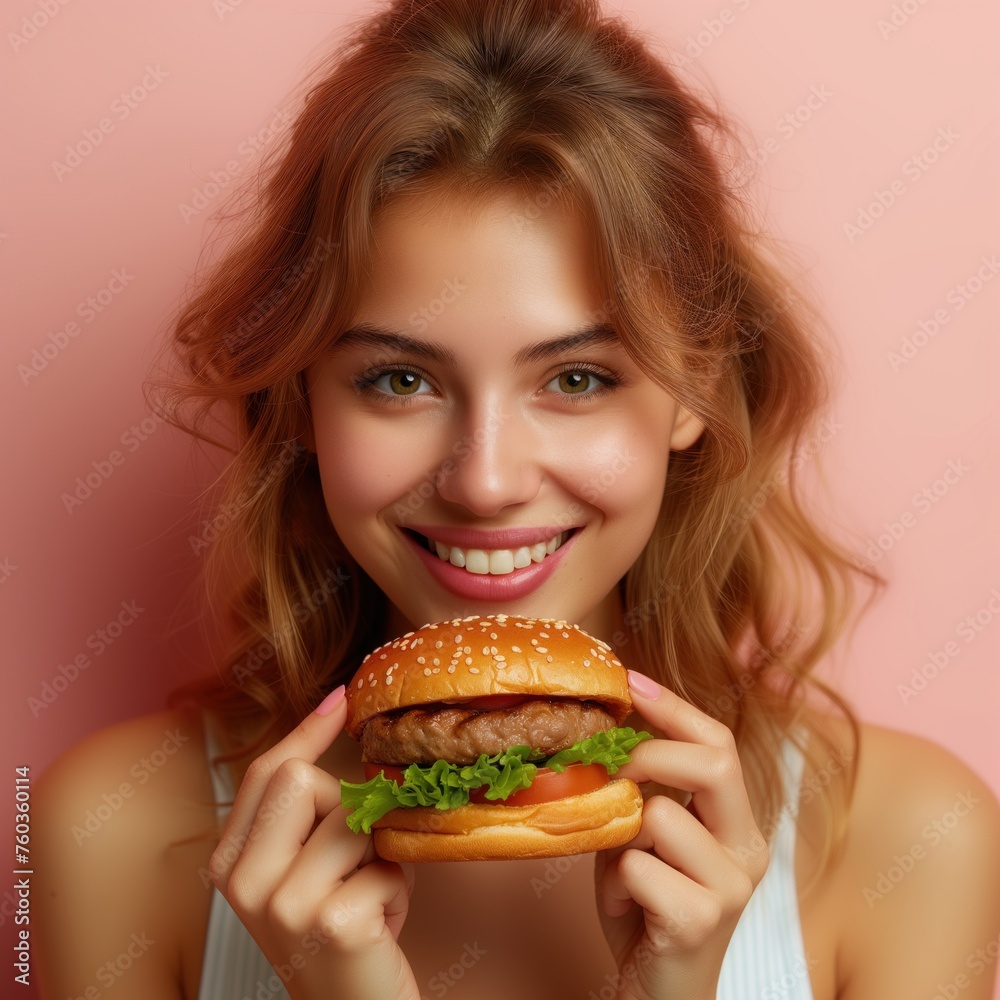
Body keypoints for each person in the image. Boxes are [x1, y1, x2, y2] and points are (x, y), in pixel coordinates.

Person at [34, 1, 1000, 998]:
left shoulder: (909, 838)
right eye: (398, 379)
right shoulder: (115, 831)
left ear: (696, 389)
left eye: (576, 378)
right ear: (301, 402)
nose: (485, 481)